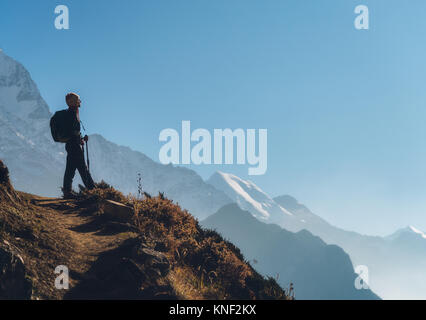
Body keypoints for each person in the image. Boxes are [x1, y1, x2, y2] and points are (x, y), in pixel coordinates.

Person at [62, 92, 95, 198]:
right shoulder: (72, 114)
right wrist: (79, 139)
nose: (79, 101)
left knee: (70, 169)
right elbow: (72, 131)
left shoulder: (71, 113)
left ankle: (67, 191)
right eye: (77, 100)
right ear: (72, 102)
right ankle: (93, 191)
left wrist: (80, 139)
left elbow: (71, 132)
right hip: (74, 146)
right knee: (82, 169)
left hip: (71, 145)